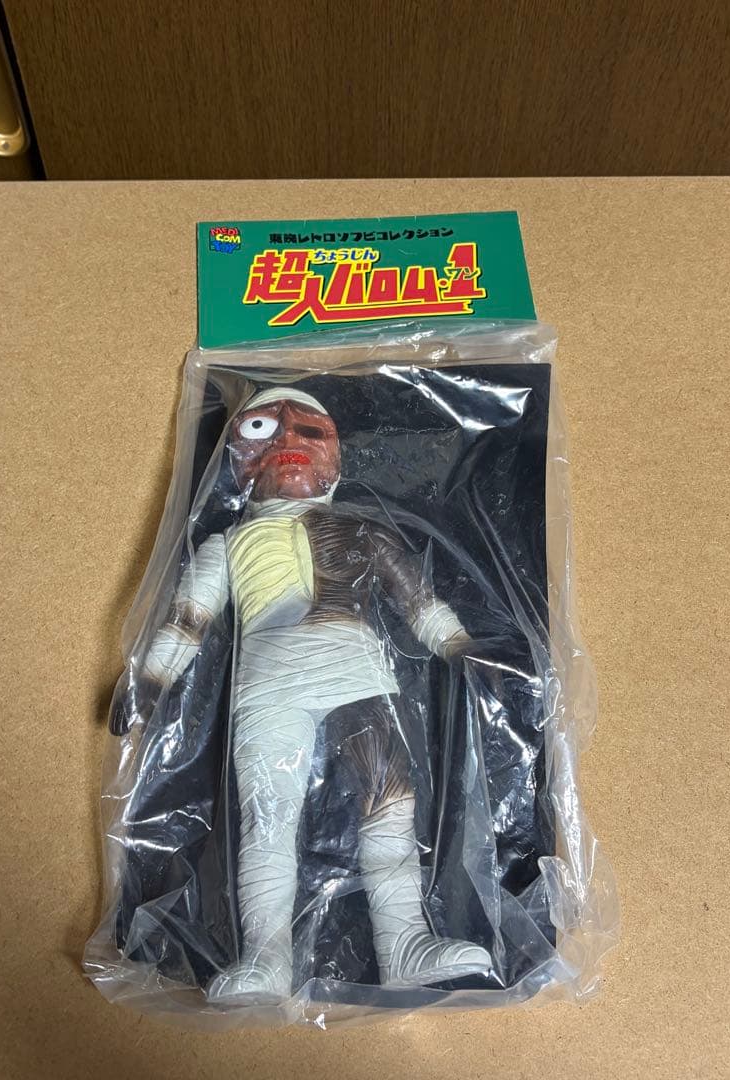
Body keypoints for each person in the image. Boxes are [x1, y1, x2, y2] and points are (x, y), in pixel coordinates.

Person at [111, 387, 492, 1002]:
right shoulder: (227, 546)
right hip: (268, 691)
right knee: (268, 815)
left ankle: (406, 944)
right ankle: (265, 957)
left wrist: (461, 648)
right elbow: (188, 620)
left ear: (333, 461)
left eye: (308, 431)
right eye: (266, 429)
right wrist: (150, 680)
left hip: (358, 678)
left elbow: (419, 602)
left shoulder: (363, 532)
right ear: (243, 464)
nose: (289, 441)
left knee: (389, 805)